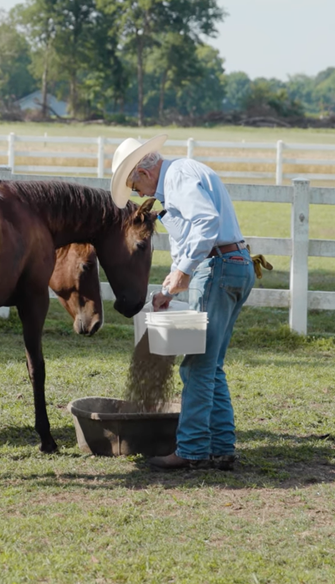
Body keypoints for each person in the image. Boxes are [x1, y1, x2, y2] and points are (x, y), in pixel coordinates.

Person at [110, 134, 255, 470]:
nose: (139, 194)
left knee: (198, 365)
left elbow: (205, 223)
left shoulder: (176, 178)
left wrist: (183, 271)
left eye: (134, 186)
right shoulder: (185, 172)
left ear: (143, 173)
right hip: (232, 265)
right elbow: (197, 232)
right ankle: (222, 448)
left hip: (217, 268)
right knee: (211, 365)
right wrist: (170, 288)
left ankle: (191, 450)